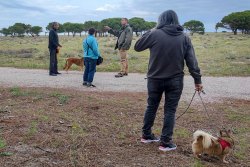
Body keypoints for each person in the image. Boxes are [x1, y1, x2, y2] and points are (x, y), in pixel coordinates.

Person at [134, 10, 203, 152]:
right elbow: (192, 62)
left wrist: (152, 29)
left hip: (154, 79)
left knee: (151, 106)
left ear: (161, 20)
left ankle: (146, 135)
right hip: (175, 80)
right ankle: (165, 142)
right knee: (170, 111)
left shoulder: (154, 33)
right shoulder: (184, 38)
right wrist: (197, 80)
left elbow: (137, 46)